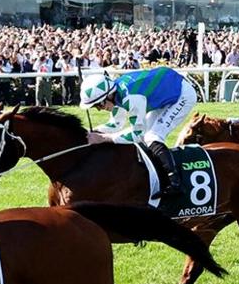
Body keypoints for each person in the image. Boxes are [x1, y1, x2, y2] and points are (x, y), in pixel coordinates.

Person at [79, 64, 201, 202]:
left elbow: (137, 134)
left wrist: (105, 139)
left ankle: (176, 184)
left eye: (98, 105)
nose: (99, 110)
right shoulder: (116, 93)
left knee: (152, 136)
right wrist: (93, 132)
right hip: (165, 94)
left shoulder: (130, 97)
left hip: (182, 95)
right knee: (148, 136)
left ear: (107, 96)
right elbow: (116, 124)